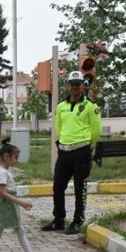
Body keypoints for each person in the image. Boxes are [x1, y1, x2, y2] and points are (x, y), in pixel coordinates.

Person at [43, 71, 102, 234]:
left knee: (79, 187)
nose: (75, 87)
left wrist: (88, 146)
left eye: (78, 83)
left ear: (83, 85)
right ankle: (58, 219)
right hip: (64, 151)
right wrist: (63, 141)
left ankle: (77, 221)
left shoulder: (91, 106)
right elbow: (58, 127)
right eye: (72, 83)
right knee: (58, 186)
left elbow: (96, 130)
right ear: (68, 86)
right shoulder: (61, 106)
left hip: (81, 151)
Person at [0, 138, 49, 252]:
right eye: (15, 157)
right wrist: (21, 203)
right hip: (5, 205)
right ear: (6, 156)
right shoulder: (2, 172)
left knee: (18, 230)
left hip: (6, 204)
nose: (16, 160)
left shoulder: (3, 171)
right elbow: (2, 192)